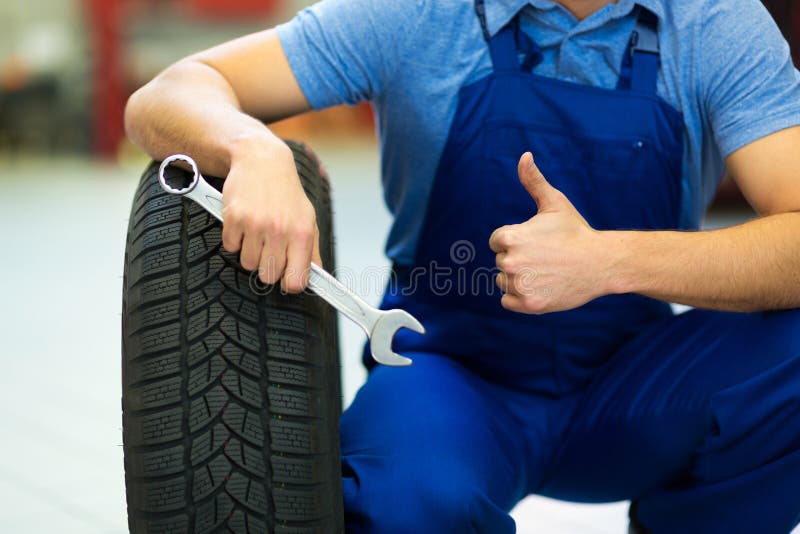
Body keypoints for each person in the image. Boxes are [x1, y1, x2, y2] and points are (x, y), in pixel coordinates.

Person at [124, 0, 800, 531]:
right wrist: (254, 151)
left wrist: (610, 259)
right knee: (408, 504)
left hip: (636, 388)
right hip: (453, 376)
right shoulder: (417, 13)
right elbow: (171, 92)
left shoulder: (716, 23)